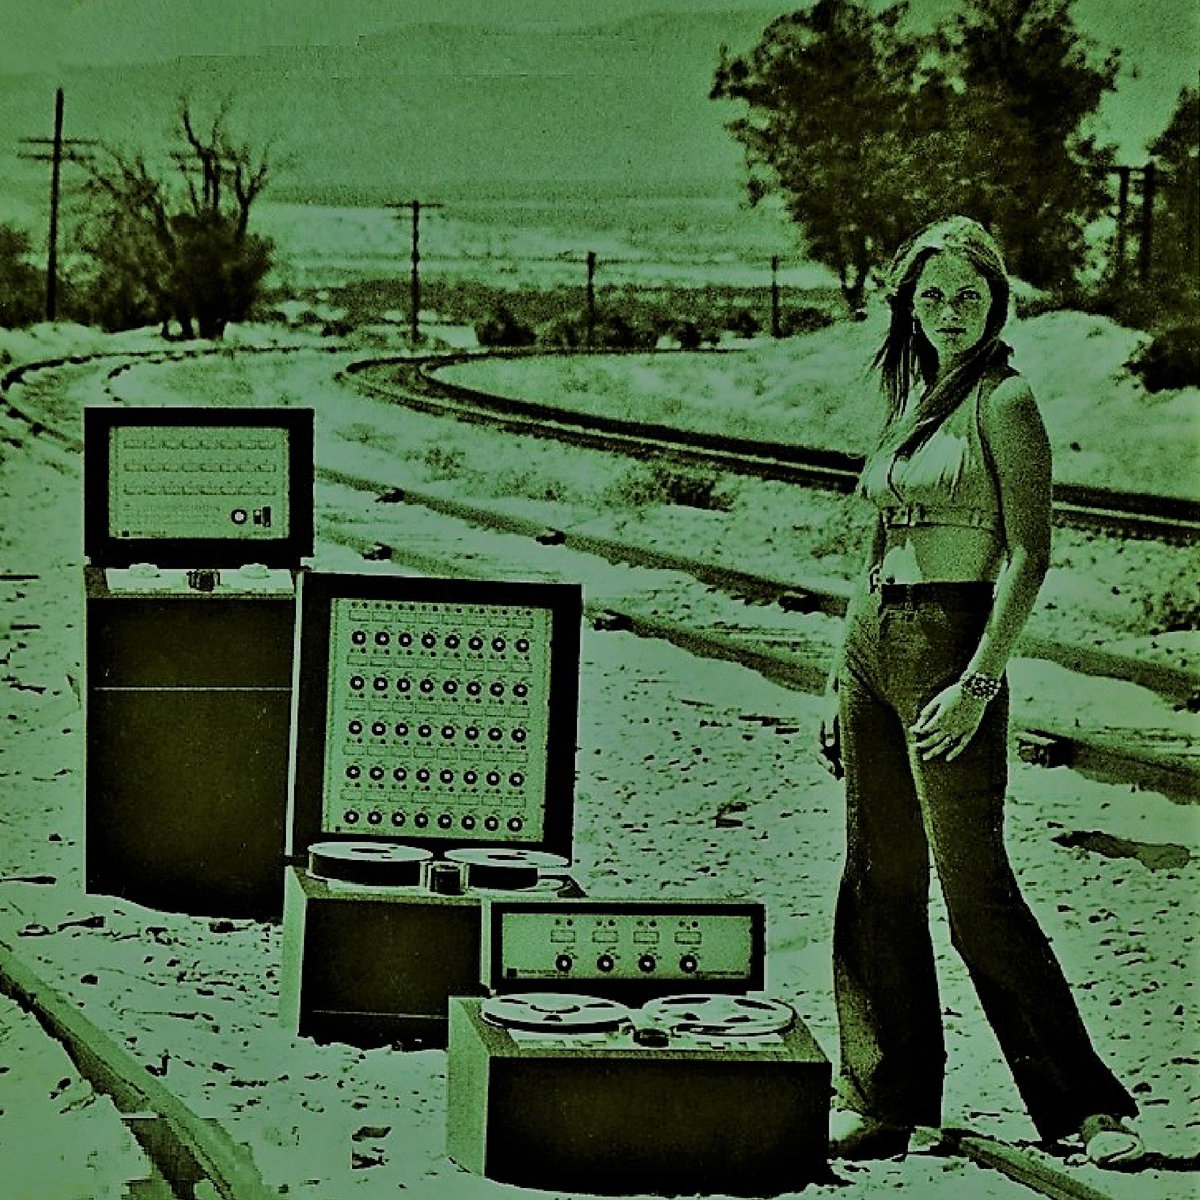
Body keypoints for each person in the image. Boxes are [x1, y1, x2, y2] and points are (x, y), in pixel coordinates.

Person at [817, 215, 1143, 1167]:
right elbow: (874, 545)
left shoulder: (1007, 400)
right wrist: (838, 675)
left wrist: (977, 681)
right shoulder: (911, 399)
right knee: (874, 878)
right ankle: (886, 1099)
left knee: (975, 891)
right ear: (909, 307)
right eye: (932, 297)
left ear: (996, 301)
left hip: (952, 645)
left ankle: (1087, 1110)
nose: (950, 312)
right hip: (873, 644)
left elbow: (1030, 555)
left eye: (968, 295)